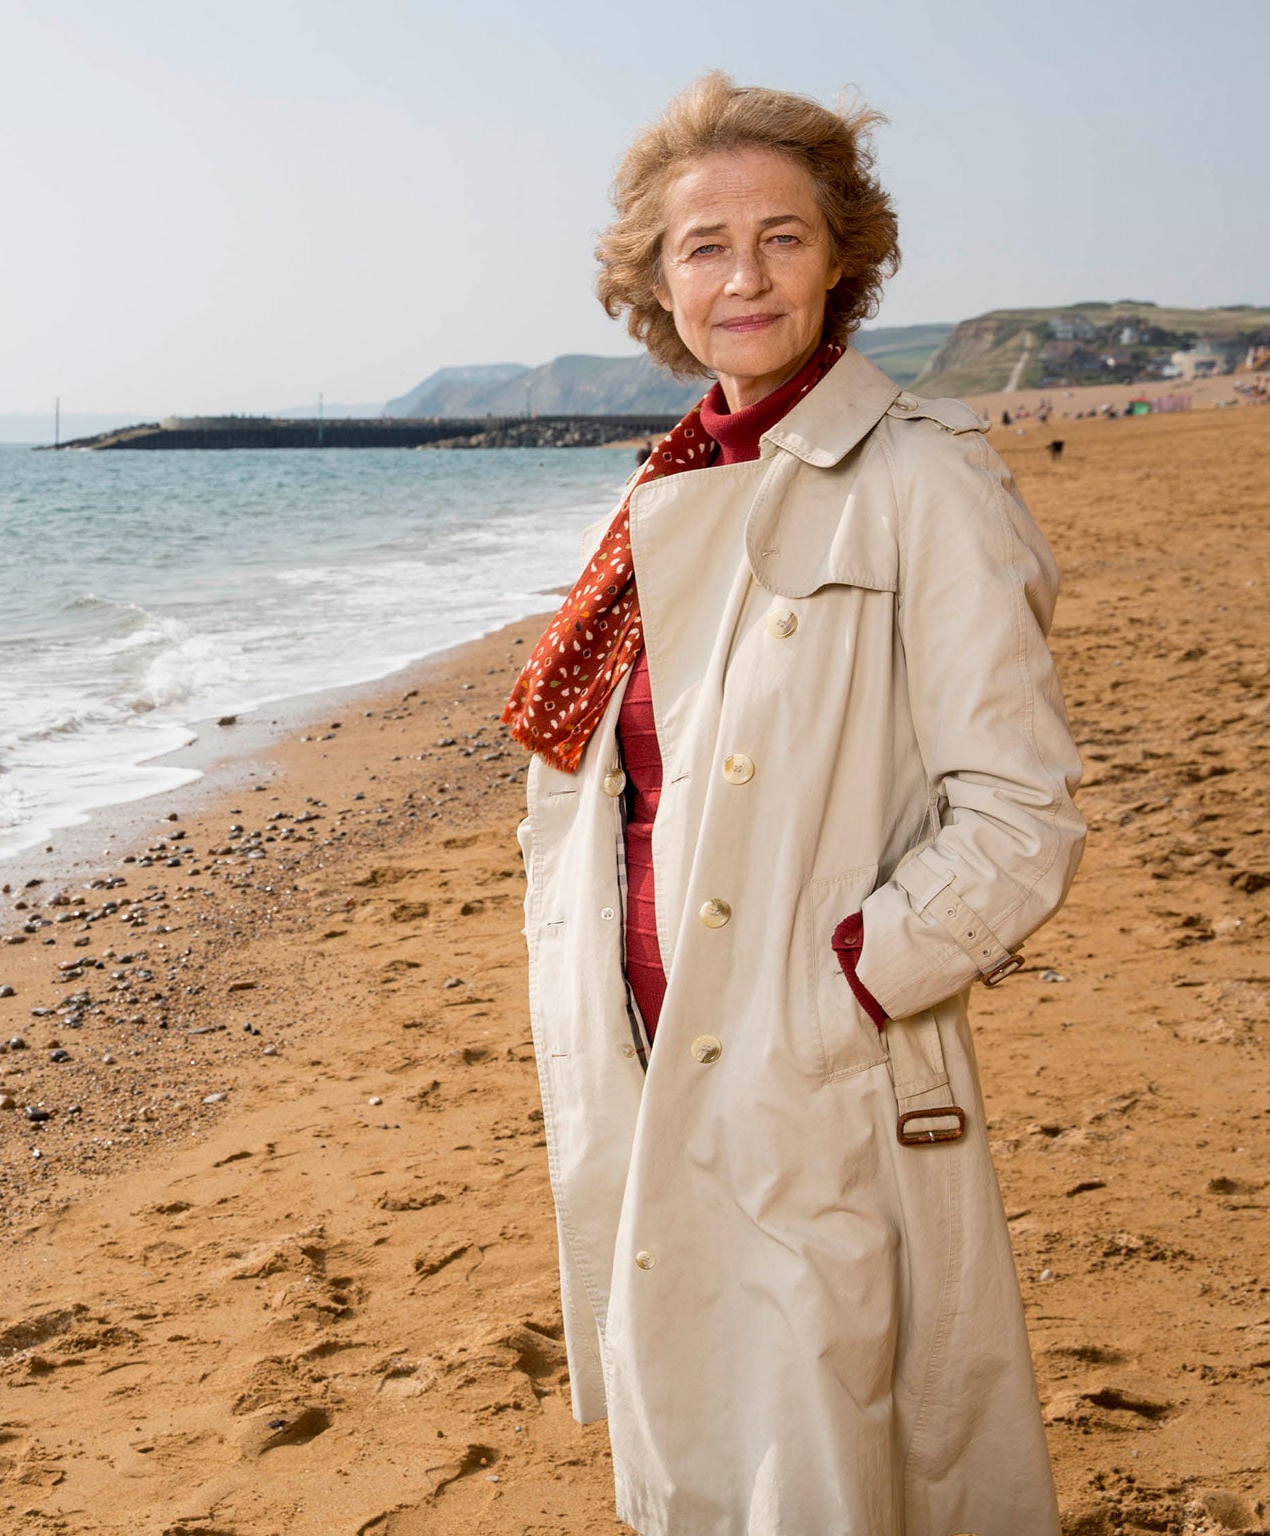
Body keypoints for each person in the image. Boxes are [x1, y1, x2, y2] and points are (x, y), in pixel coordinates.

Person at [502, 73, 1085, 1534]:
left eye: (782, 236)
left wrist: (837, 994)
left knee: (831, 1468)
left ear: (843, 258)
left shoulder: (924, 480)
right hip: (650, 1059)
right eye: (703, 246)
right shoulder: (671, 488)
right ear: (657, 280)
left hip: (814, 1081)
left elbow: (1019, 814)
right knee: (706, 1462)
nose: (743, 275)